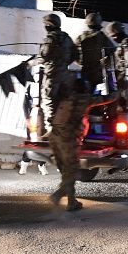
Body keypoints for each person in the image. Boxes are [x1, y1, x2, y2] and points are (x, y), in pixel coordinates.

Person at [35, 13, 83, 211]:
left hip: (52, 79)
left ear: (49, 25)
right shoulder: (67, 39)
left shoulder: (50, 39)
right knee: (70, 163)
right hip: (64, 78)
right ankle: (68, 197)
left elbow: (44, 55)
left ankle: (50, 128)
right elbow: (75, 56)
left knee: (50, 107)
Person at [75, 12, 114, 93]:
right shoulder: (103, 37)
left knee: (86, 93)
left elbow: (74, 53)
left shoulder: (81, 37)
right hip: (99, 71)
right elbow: (112, 52)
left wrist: (81, 63)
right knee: (100, 96)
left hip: (85, 71)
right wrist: (105, 64)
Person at [104, 21, 128, 110]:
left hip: (127, 80)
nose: (113, 39)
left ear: (115, 35)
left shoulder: (126, 44)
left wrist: (119, 76)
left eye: (112, 37)